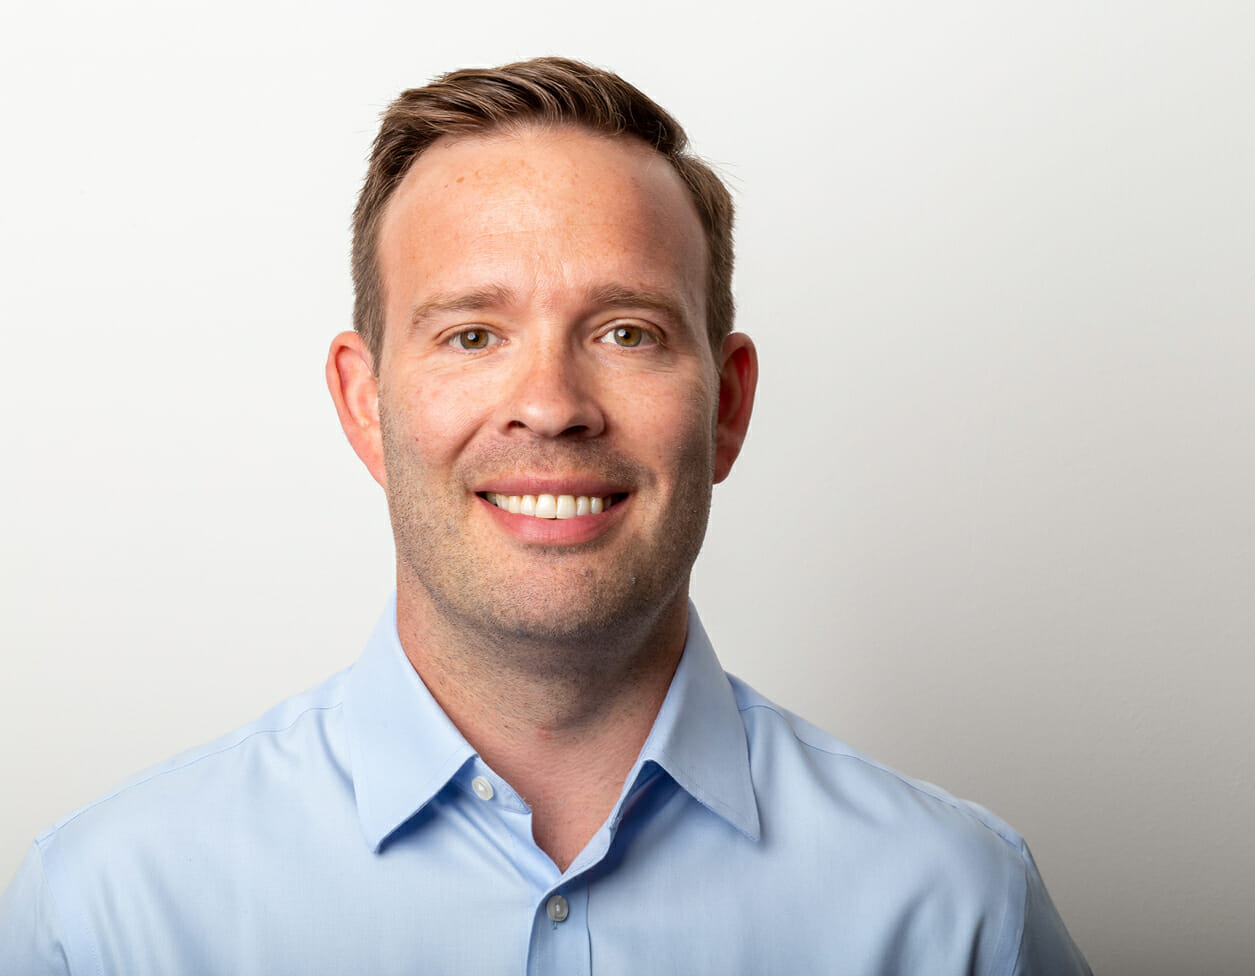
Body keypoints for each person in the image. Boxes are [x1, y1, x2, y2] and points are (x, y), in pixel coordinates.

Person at [0, 58, 1091, 974]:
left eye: (625, 331)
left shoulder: (958, 911)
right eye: (472, 333)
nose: (552, 407)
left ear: (729, 405)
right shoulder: (105, 916)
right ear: (362, 404)